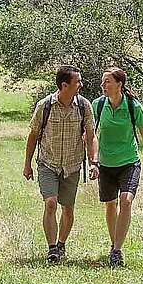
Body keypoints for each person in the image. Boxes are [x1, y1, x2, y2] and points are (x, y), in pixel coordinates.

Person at [23, 65, 97, 264]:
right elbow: (33, 135)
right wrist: (27, 164)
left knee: (68, 208)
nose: (81, 85)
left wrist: (93, 162)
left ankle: (62, 243)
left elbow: (91, 136)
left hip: (72, 165)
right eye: (77, 82)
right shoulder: (44, 106)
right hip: (48, 163)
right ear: (64, 85)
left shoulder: (84, 106)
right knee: (50, 203)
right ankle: (52, 249)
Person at [91, 67, 143, 267]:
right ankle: (114, 244)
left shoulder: (133, 107)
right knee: (111, 204)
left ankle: (117, 250)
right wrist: (92, 160)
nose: (103, 85)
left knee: (126, 200)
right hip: (105, 164)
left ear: (119, 84)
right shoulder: (98, 105)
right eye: (103, 82)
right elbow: (92, 135)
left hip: (129, 162)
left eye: (108, 82)